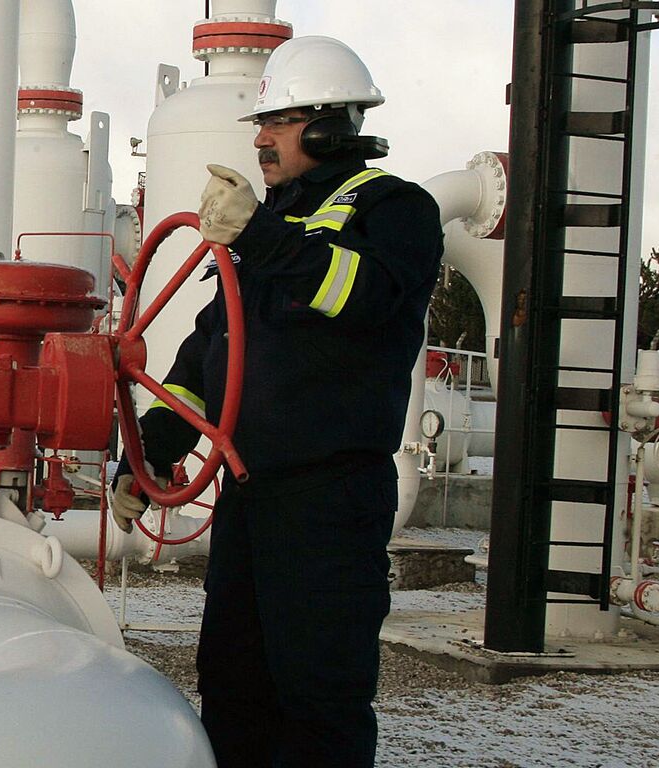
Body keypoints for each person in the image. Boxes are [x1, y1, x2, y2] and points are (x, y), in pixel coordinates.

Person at [110, 36, 444, 767]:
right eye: (262, 123)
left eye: (281, 122)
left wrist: (259, 235)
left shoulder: (396, 209)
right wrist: (152, 453)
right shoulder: (262, 231)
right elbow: (203, 362)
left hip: (330, 500)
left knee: (317, 698)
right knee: (232, 687)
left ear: (330, 128)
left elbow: (365, 298)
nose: (260, 138)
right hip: (251, 498)